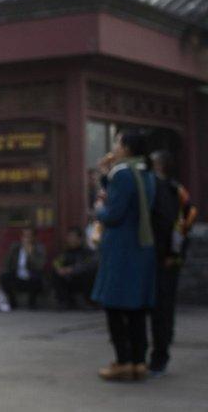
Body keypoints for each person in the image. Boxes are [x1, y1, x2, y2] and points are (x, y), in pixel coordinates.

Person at [91, 130, 157, 382]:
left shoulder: (123, 174)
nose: (115, 147)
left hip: (120, 249)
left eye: (118, 142)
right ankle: (139, 362)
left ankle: (122, 361)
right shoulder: (145, 172)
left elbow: (115, 213)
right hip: (142, 248)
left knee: (114, 307)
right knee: (137, 309)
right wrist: (106, 175)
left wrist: (99, 211)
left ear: (127, 147)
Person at [148, 149, 197, 376]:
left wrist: (176, 245)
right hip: (157, 256)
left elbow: (189, 216)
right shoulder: (153, 189)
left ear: (161, 166)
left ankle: (161, 355)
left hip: (166, 258)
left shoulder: (174, 190)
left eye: (154, 163)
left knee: (162, 309)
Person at [0, 227, 47, 310]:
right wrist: (12, 251)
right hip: (18, 275)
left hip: (31, 276)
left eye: (29, 236)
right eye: (24, 236)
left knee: (36, 278)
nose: (26, 239)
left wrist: (30, 253)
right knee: (4, 277)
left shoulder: (39, 248)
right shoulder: (16, 247)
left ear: (34, 237)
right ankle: (12, 302)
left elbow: (39, 266)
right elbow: (7, 263)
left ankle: (32, 303)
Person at [51, 228, 97, 310]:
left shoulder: (87, 252)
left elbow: (88, 265)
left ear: (79, 239)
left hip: (81, 278)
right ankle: (64, 302)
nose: (70, 239)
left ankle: (88, 302)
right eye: (69, 237)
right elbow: (57, 262)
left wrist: (72, 269)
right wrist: (59, 269)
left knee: (89, 273)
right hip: (68, 278)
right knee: (55, 273)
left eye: (72, 237)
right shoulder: (66, 252)